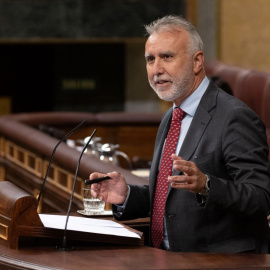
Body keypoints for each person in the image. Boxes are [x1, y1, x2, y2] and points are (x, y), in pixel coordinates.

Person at [89, 15, 270, 253]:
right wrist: (128, 195)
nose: (156, 69)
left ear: (197, 62)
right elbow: (173, 194)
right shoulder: (172, 116)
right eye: (150, 59)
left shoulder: (234, 116)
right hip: (164, 258)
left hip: (217, 263)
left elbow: (260, 197)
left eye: (167, 57)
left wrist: (206, 184)